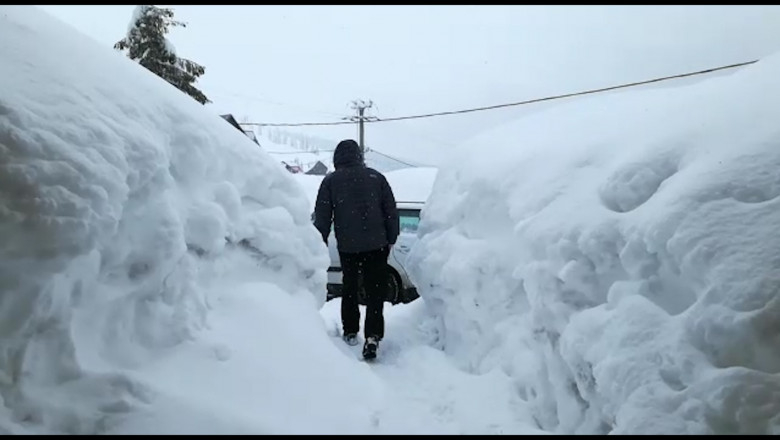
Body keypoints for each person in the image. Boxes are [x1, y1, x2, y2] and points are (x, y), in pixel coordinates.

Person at [313, 139, 399, 360]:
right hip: (377, 244)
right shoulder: (376, 178)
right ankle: (373, 336)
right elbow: (391, 211)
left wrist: (318, 243)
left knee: (350, 287)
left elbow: (322, 217)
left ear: (337, 159)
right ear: (359, 157)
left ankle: (350, 331)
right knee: (375, 290)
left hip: (348, 246)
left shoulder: (331, 181)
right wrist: (391, 238)